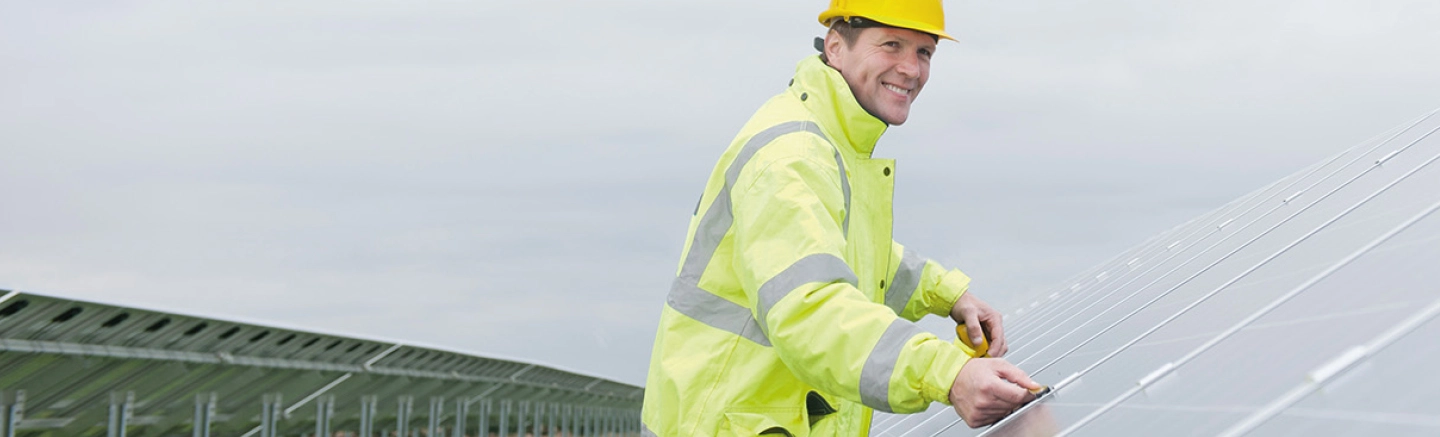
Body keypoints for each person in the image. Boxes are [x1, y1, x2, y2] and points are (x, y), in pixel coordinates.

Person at [641, 1, 1042, 435]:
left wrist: (947, 295)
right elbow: (811, 309)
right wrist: (945, 372)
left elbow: (853, 252)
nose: (910, 69)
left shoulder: (830, 143)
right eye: (892, 45)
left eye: (924, 52)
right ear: (835, 47)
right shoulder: (793, 156)